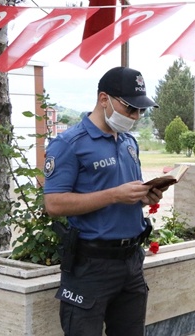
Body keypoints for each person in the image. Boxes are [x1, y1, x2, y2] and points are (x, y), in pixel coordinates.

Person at [43, 66, 163, 336]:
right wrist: (114, 195)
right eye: (130, 108)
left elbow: (123, 197)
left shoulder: (129, 142)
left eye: (140, 110)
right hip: (90, 266)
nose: (135, 116)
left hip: (131, 262)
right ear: (104, 99)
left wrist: (145, 197)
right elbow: (54, 204)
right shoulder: (69, 144)